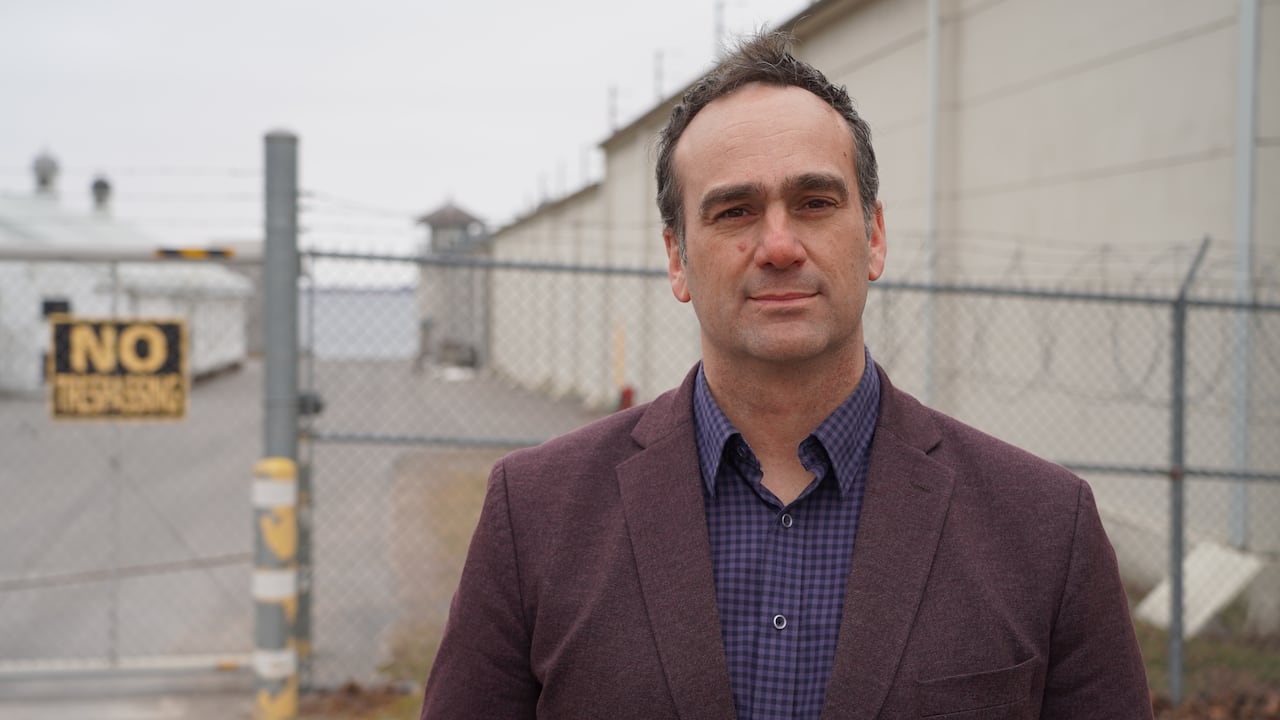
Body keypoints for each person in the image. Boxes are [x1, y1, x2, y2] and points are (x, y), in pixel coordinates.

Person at [421, 32, 1152, 719]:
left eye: (814, 202)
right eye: (735, 211)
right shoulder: (536, 517)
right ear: (677, 258)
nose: (778, 245)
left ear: (874, 236)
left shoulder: (1045, 528)